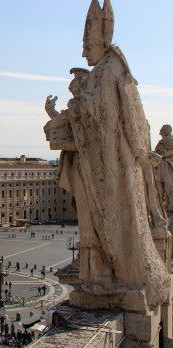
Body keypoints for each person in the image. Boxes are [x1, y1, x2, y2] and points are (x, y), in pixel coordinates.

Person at [44, 0, 169, 310]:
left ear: (102, 42)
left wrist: (74, 111)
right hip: (97, 163)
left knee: (110, 222)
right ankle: (104, 276)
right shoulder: (103, 71)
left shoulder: (111, 71)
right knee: (96, 222)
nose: (84, 52)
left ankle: (114, 277)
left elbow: (117, 118)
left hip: (110, 167)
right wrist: (67, 113)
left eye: (88, 45)